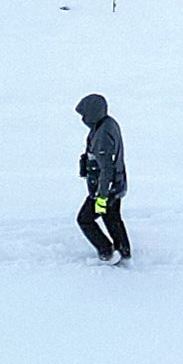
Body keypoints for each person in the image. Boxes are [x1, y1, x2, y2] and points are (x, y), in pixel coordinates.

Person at [75, 93, 131, 264]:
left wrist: (102, 196)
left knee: (85, 219)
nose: (82, 119)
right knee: (112, 218)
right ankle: (124, 252)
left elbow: (106, 169)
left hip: (105, 188)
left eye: (84, 115)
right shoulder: (107, 124)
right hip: (115, 185)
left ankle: (107, 252)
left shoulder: (102, 136)